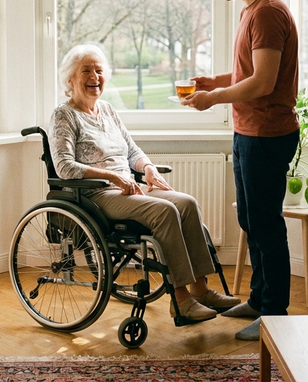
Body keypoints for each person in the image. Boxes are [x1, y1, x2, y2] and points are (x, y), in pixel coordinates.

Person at [49, 43, 240, 322]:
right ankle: (181, 300)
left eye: (99, 70)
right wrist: (112, 176)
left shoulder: (108, 110)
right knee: (165, 211)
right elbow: (64, 167)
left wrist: (148, 168)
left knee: (186, 203)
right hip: (96, 195)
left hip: (127, 188)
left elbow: (132, 151)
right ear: (70, 80)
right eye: (86, 71)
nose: (95, 77)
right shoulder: (64, 114)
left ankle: (200, 290)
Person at [184, 0, 300, 341]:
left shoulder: (267, 13)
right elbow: (249, 72)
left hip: (266, 135)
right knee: (251, 220)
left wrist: (213, 98)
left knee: (266, 226)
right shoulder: (251, 11)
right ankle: (258, 300)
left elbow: (263, 83)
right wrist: (214, 82)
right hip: (249, 131)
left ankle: (274, 316)